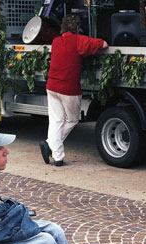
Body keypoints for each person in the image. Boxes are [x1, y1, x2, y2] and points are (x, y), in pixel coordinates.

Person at [38, 16, 107, 167]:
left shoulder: (56, 41)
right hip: (69, 89)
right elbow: (103, 44)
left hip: (52, 86)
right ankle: (50, 145)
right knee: (72, 120)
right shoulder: (78, 40)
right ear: (77, 28)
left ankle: (57, 157)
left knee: (56, 120)